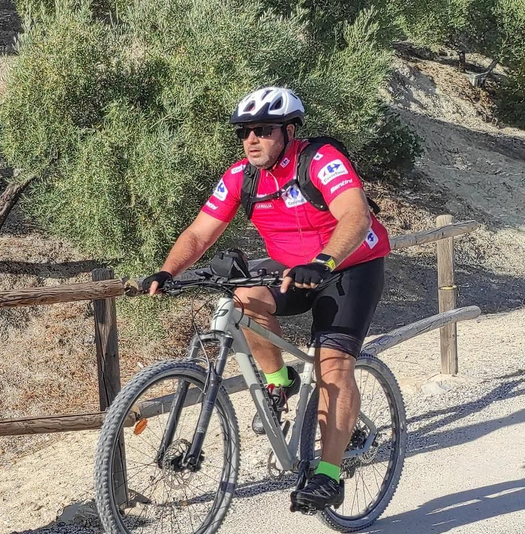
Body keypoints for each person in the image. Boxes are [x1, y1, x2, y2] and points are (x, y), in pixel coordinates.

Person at [138, 86, 389, 512]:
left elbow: (355, 214)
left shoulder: (321, 161)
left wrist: (325, 260)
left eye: (263, 130)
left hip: (350, 268)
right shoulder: (242, 176)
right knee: (244, 299)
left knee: (333, 364)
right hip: (294, 272)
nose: (251, 139)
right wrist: (168, 270)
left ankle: (327, 476)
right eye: (245, 132)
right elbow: (200, 232)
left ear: (289, 131)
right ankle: (279, 382)